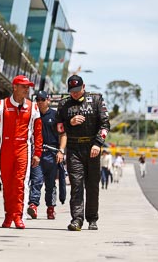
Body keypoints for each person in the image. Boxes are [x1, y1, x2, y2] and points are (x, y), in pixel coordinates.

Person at [0, 75, 43, 229]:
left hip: (23, 149)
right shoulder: (1, 105)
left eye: (28, 87)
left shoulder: (33, 107)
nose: (27, 89)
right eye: (23, 86)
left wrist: (37, 153)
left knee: (20, 183)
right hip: (6, 148)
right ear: (14, 87)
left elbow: (38, 133)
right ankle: (8, 215)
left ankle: (18, 216)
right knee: (7, 184)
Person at [55, 74, 110, 231]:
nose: (75, 93)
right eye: (72, 91)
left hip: (92, 148)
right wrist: (69, 123)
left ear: (84, 87)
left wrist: (98, 143)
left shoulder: (97, 99)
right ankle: (77, 219)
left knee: (92, 185)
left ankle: (92, 219)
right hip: (73, 149)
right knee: (76, 185)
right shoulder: (64, 104)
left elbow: (105, 125)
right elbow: (58, 128)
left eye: (78, 90)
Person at [27, 91, 63, 220]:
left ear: (48, 100)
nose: (40, 102)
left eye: (43, 99)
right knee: (36, 180)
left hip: (52, 154)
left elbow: (62, 134)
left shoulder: (55, 115)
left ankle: (51, 208)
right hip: (37, 153)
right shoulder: (32, 115)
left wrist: (61, 151)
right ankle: (33, 205)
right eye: (38, 99)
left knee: (50, 184)